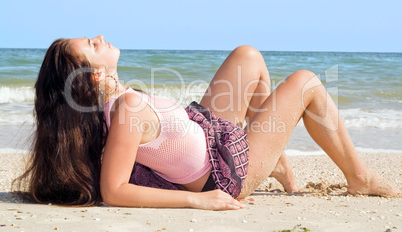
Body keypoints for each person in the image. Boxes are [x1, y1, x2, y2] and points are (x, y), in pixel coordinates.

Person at [14, 35, 401, 210]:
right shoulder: (125, 111)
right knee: (307, 83)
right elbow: (113, 190)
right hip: (227, 170)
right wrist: (197, 200)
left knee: (247, 56)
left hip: (210, 131)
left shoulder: (115, 104)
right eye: (92, 46)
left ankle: (277, 161)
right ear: (94, 76)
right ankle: (359, 177)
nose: (100, 37)